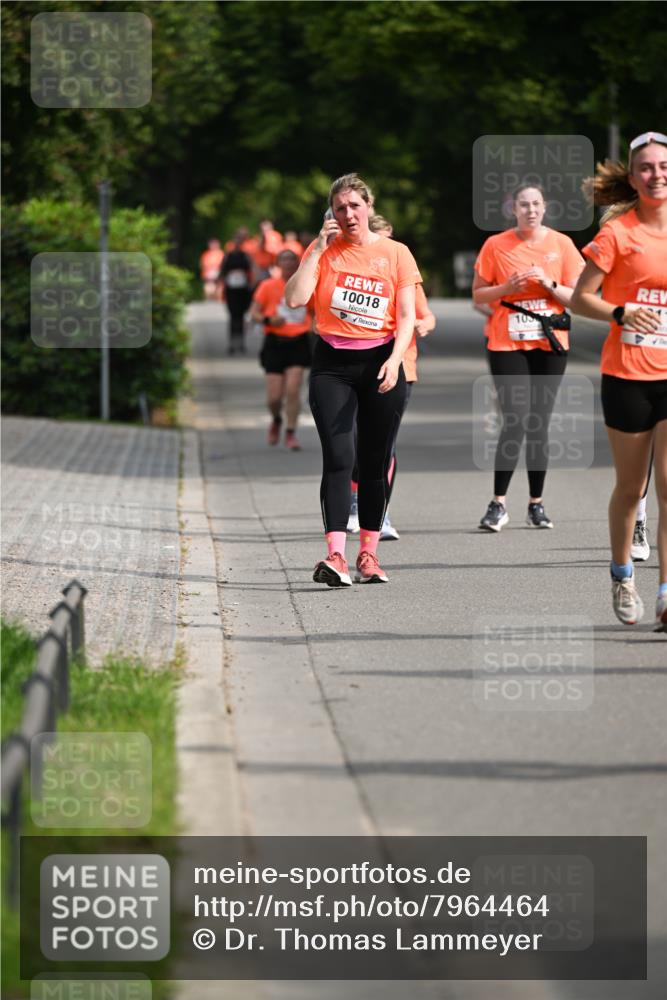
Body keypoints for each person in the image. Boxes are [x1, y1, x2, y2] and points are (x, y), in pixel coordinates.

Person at [285, 173, 420, 586]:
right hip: (332, 364)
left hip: (381, 360)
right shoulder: (323, 250)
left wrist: (396, 360)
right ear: (332, 213)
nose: (348, 215)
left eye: (355, 206)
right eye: (340, 208)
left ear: (369, 206)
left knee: (375, 463)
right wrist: (315, 252)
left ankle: (369, 555)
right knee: (339, 459)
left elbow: (407, 315)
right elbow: (294, 299)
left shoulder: (396, 253)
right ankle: (335, 557)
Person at [571, 131, 667, 629]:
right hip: (628, 373)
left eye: (663, 166)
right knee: (632, 489)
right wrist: (620, 312)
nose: (657, 174)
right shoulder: (618, 234)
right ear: (633, 177)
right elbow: (578, 297)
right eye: (647, 167)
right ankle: (622, 573)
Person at [472, 184, 584, 532]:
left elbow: (578, 298)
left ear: (544, 208)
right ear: (513, 209)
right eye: (524, 204)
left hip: (550, 343)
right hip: (507, 343)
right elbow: (478, 295)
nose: (530, 210)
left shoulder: (562, 245)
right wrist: (508, 288)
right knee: (516, 420)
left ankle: (536, 503)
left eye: (536, 204)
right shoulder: (496, 245)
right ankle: (498, 503)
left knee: (539, 422)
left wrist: (549, 283)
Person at [347, 215, 436, 539]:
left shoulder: (403, 268)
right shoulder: (355, 271)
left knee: (384, 445)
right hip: (357, 365)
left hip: (401, 366)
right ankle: (356, 503)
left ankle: (380, 513)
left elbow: (424, 315)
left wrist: (424, 324)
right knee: (355, 441)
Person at [250, 249, 312, 450]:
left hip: (298, 341)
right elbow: (254, 313)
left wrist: (316, 325)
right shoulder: (268, 286)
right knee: (274, 397)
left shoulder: (306, 285)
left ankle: (291, 432)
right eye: (283, 260)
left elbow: (317, 311)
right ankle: (277, 419)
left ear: (297, 264)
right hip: (274, 342)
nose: (287, 264)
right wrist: (269, 320)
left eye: (291, 260)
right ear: (278, 264)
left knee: (293, 390)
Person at [219, 233, 254, 355]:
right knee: (233, 317)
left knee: (241, 316)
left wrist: (251, 285)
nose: (238, 244)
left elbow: (251, 270)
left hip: (243, 290)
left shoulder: (245, 256)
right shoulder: (228, 256)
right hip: (231, 290)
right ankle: (232, 344)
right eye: (236, 241)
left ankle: (241, 343)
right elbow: (222, 271)